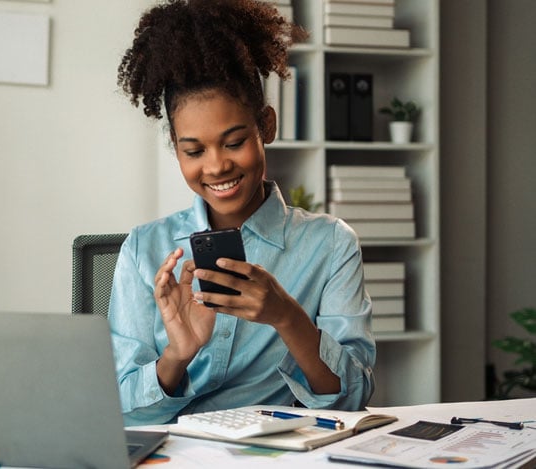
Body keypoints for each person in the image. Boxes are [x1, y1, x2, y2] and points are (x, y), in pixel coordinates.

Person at [111, 0, 375, 426]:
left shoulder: (329, 244)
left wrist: (286, 317)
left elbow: (352, 398)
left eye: (234, 142)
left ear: (266, 126)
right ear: (176, 149)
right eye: (194, 151)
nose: (216, 166)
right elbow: (121, 409)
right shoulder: (145, 249)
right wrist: (178, 354)